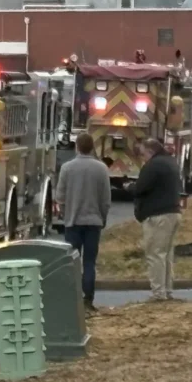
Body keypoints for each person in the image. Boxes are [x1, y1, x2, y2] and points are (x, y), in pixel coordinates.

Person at [55, 132, 111, 311]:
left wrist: (64, 214)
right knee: (89, 262)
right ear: (92, 147)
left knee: (72, 262)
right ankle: (88, 299)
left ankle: (72, 299)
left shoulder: (67, 168)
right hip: (94, 222)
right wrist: (102, 217)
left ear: (77, 146)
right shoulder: (101, 168)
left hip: (73, 221)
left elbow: (60, 196)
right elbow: (106, 199)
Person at [130, 139, 182, 301]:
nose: (143, 158)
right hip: (173, 212)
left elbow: (140, 188)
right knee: (166, 255)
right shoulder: (170, 162)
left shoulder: (154, 166)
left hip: (158, 215)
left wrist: (129, 187)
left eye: (143, 154)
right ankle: (167, 290)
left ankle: (158, 293)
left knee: (155, 254)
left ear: (151, 152)